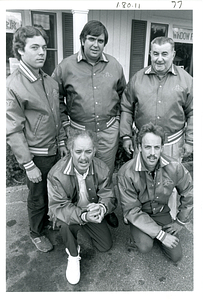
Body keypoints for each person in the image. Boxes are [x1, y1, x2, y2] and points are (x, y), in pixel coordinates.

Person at [51, 20, 127, 228]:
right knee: (80, 171)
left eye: (100, 40)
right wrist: (65, 124)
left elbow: (124, 96)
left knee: (106, 172)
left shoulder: (115, 66)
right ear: (83, 40)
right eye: (91, 39)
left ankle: (107, 208)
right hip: (78, 131)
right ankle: (79, 211)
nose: (95, 44)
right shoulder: (66, 66)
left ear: (105, 44)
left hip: (108, 131)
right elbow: (55, 98)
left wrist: (119, 121)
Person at [6, 26, 68, 253]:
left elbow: (57, 115)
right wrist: (28, 164)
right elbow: (13, 130)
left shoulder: (49, 82)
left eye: (43, 47)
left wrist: (62, 142)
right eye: (35, 47)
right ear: (20, 50)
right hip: (36, 156)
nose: (42, 52)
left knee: (55, 192)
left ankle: (50, 222)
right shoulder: (13, 85)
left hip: (55, 151)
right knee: (38, 197)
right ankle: (36, 232)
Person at [120, 36, 193, 218]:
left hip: (172, 142)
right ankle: (138, 221)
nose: (159, 58)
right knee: (140, 182)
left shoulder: (187, 81)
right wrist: (126, 136)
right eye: (155, 54)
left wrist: (191, 141)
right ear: (150, 54)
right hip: (143, 143)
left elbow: (194, 112)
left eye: (164, 54)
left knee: (170, 184)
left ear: (173, 54)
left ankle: (170, 221)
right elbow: (126, 108)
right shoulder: (138, 79)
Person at [47, 129, 117, 284]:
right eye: (78, 151)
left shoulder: (102, 168)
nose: (83, 157)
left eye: (88, 151)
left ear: (94, 151)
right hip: (69, 214)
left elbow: (109, 196)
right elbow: (58, 207)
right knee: (64, 224)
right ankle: (73, 255)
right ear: (70, 150)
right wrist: (83, 216)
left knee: (105, 246)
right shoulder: (56, 174)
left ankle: (84, 226)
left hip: (90, 211)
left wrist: (102, 208)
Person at [117, 123, 193, 263]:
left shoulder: (175, 167)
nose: (152, 153)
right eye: (147, 147)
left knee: (176, 256)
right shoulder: (125, 172)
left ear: (162, 148)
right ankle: (142, 236)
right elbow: (131, 209)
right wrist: (161, 235)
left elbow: (189, 192)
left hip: (161, 211)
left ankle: (151, 233)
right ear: (139, 147)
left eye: (156, 147)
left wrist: (180, 222)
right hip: (140, 212)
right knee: (145, 246)